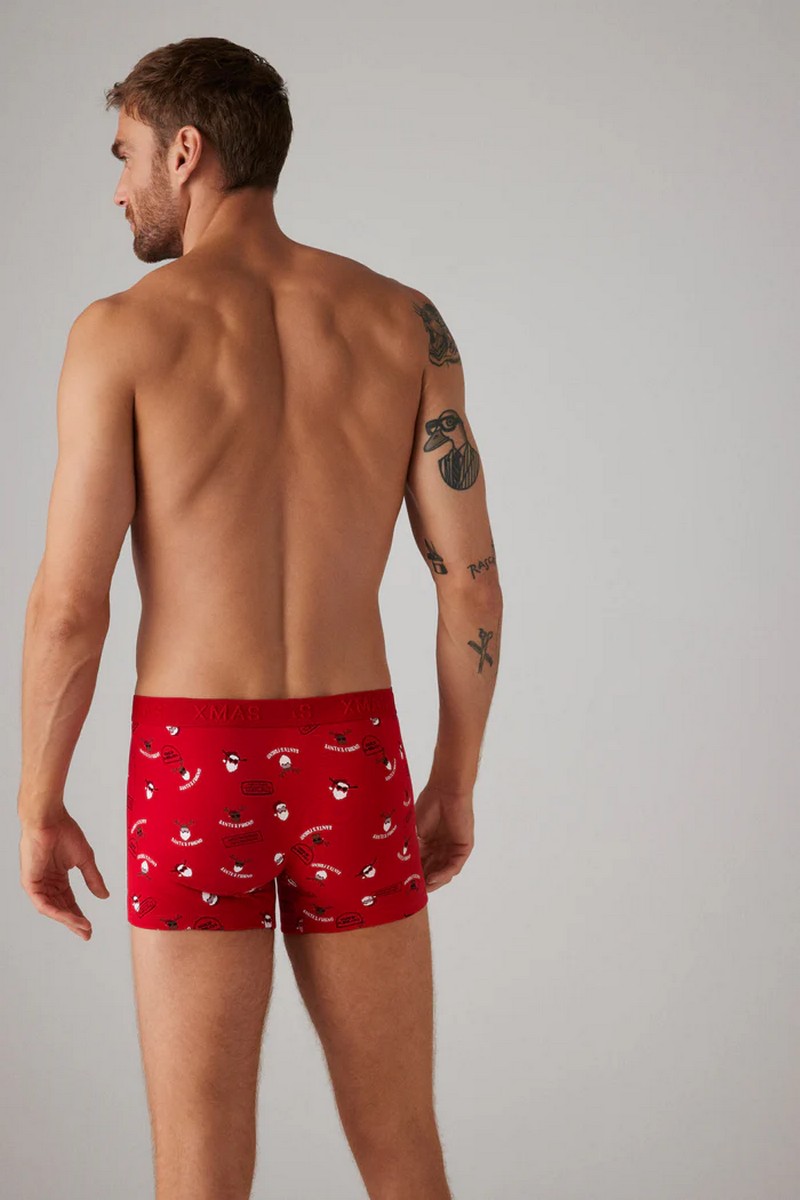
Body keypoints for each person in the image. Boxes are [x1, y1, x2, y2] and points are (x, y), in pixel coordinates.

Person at [16, 35, 503, 1200]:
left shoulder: (120, 333)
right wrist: (452, 781)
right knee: (402, 1147)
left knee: (198, 1166)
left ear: (186, 153)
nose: (118, 186)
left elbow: (71, 608)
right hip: (353, 758)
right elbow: (469, 583)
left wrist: (37, 801)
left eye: (126, 153)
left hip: (192, 763)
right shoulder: (402, 322)